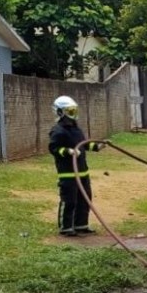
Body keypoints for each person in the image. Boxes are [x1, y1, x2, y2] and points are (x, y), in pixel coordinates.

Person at [48, 96, 105, 237]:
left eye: (74, 111)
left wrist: (97, 146)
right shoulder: (58, 131)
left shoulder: (76, 129)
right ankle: (66, 227)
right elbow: (54, 149)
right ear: (60, 112)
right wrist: (68, 151)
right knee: (69, 201)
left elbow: (84, 144)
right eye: (70, 111)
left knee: (85, 200)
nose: (73, 114)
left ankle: (81, 225)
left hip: (83, 173)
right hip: (68, 174)